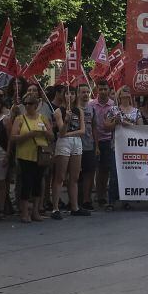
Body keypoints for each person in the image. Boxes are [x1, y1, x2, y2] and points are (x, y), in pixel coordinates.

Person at [11, 92, 51, 223]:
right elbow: (13, 137)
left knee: (38, 183)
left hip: (40, 155)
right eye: (26, 103)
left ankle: (35, 211)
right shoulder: (20, 119)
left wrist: (44, 132)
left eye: (31, 103)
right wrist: (28, 135)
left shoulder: (43, 118)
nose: (28, 106)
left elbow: (52, 136)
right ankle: (24, 212)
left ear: (36, 104)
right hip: (25, 155)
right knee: (26, 183)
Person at [51, 87, 89, 218]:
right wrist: (66, 121)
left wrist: (69, 133)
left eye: (72, 93)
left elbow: (82, 130)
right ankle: (55, 208)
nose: (70, 96)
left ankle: (75, 207)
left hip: (76, 142)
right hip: (64, 143)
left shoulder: (79, 111)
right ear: (63, 95)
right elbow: (61, 132)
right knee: (60, 176)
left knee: (74, 177)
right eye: (67, 93)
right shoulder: (58, 111)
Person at [90, 81, 119, 209]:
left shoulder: (114, 105)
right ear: (97, 90)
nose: (102, 91)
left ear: (109, 90)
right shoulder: (91, 104)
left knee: (105, 169)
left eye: (105, 89)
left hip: (108, 140)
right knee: (95, 169)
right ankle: (97, 194)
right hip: (93, 140)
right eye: (100, 89)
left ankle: (103, 196)